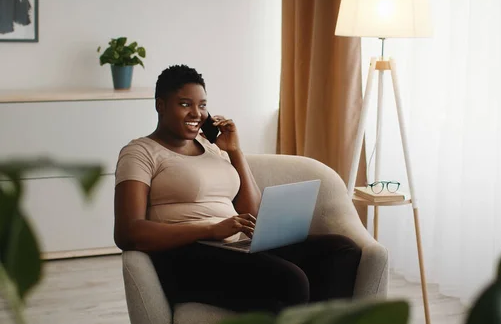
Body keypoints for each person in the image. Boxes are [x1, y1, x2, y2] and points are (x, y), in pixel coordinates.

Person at [113, 64, 362, 314]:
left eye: (202, 105)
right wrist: (211, 230)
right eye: (185, 104)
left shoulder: (212, 148)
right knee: (290, 280)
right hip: (186, 255)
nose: (196, 114)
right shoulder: (140, 153)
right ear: (161, 105)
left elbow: (252, 211)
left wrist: (234, 151)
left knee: (341, 250)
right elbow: (127, 232)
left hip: (233, 247)